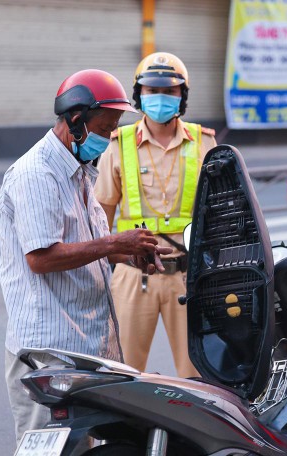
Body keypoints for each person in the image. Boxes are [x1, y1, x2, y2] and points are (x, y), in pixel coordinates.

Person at [0, 69, 171, 442]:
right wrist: (114, 245)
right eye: (105, 128)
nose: (108, 138)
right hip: (48, 354)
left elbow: (86, 244)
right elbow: (41, 258)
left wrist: (126, 255)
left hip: (84, 349)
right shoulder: (36, 174)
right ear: (76, 120)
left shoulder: (78, 171)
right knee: (50, 448)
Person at [95, 52, 216, 378]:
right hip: (134, 277)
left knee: (199, 375)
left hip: (190, 277)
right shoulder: (118, 145)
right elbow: (100, 217)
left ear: (182, 96)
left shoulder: (204, 144)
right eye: (151, 91)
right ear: (139, 96)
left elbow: (220, 215)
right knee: (122, 374)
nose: (160, 97)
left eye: (170, 91)